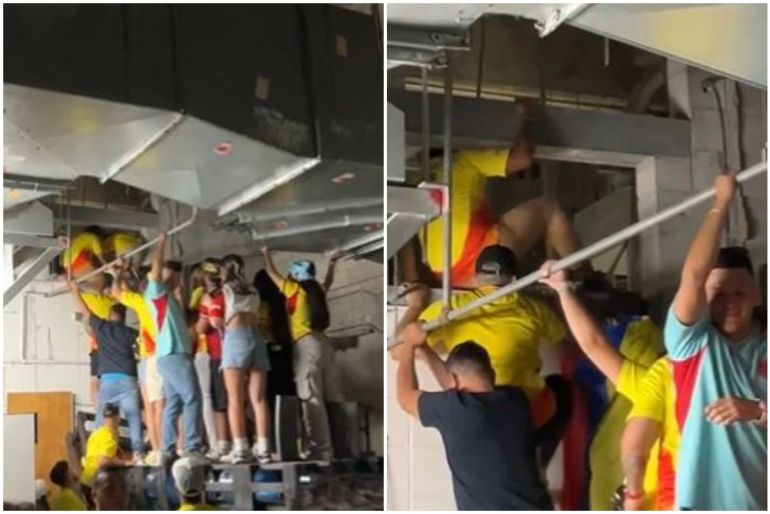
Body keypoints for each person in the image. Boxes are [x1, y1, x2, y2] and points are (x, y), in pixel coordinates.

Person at [398, 99, 588, 289]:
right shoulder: (461, 161)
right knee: (548, 208)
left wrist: (413, 283)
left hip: (447, 276)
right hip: (480, 257)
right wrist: (529, 118)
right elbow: (522, 158)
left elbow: (406, 237)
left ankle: (568, 276)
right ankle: (586, 275)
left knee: (497, 218)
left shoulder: (416, 178)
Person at [411, 245, 569, 465]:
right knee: (561, 388)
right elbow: (563, 339)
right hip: (527, 412)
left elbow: (402, 349)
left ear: (476, 278)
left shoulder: (453, 308)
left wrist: (417, 307)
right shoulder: (535, 309)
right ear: (514, 278)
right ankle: (539, 460)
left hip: (477, 414)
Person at [665, 173, 767, 510]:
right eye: (718, 294)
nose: (730, 303)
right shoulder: (691, 343)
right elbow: (694, 276)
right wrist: (720, 203)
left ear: (757, 295)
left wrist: (757, 410)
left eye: (740, 293)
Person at [538, 261, 672, 510]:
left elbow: (594, 346)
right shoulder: (663, 381)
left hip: (623, 478)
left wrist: (563, 289)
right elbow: (594, 345)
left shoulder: (659, 383)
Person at [394, 322, 553, 510]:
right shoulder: (516, 400)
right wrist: (425, 349)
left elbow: (405, 397)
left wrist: (409, 345)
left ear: (454, 379)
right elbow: (453, 387)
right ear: (491, 374)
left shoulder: (456, 409)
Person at [262, 248, 342, 460]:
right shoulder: (316, 291)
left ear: (295, 275)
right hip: (324, 344)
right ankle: (338, 445)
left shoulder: (295, 290)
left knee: (311, 400)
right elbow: (328, 282)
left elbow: (271, 273)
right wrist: (332, 263)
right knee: (330, 398)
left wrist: (265, 253)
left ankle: (320, 450)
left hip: (306, 346)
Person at [67, 280, 144, 463]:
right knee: (134, 418)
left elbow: (86, 312)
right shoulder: (132, 333)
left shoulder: (102, 328)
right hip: (129, 381)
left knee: (101, 420)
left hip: (108, 381)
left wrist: (75, 292)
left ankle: (96, 455)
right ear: (123, 318)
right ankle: (139, 455)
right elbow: (140, 352)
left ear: (109, 316)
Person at [145, 232, 205, 462]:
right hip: (174, 354)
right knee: (192, 398)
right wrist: (161, 244)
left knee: (174, 404)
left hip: (172, 355)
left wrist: (180, 297)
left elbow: (181, 322)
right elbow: (155, 272)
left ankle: (167, 450)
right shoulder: (156, 293)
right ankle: (192, 446)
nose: (178, 279)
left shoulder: (169, 299)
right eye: (174, 275)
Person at [219, 254, 271, 464]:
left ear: (224, 270)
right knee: (258, 398)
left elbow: (217, 320)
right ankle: (264, 447)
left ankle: (240, 448)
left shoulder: (226, 289)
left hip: (236, 336)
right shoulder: (253, 289)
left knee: (235, 399)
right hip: (256, 337)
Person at [111, 261, 164, 466]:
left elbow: (116, 292)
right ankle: (163, 448)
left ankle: (158, 450)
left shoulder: (142, 302)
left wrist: (118, 274)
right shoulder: (162, 300)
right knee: (161, 406)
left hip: (150, 357)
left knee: (154, 406)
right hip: (160, 355)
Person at [195, 259, 231, 461]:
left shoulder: (210, 298)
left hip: (217, 352)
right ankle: (239, 442)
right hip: (235, 352)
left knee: (219, 402)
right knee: (235, 400)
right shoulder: (232, 292)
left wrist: (206, 307)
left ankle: (222, 445)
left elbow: (201, 327)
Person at [80, 403, 131, 504]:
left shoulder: (97, 433)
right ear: (118, 418)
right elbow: (102, 461)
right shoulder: (109, 437)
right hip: (96, 483)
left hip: (85, 480)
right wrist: (124, 463)